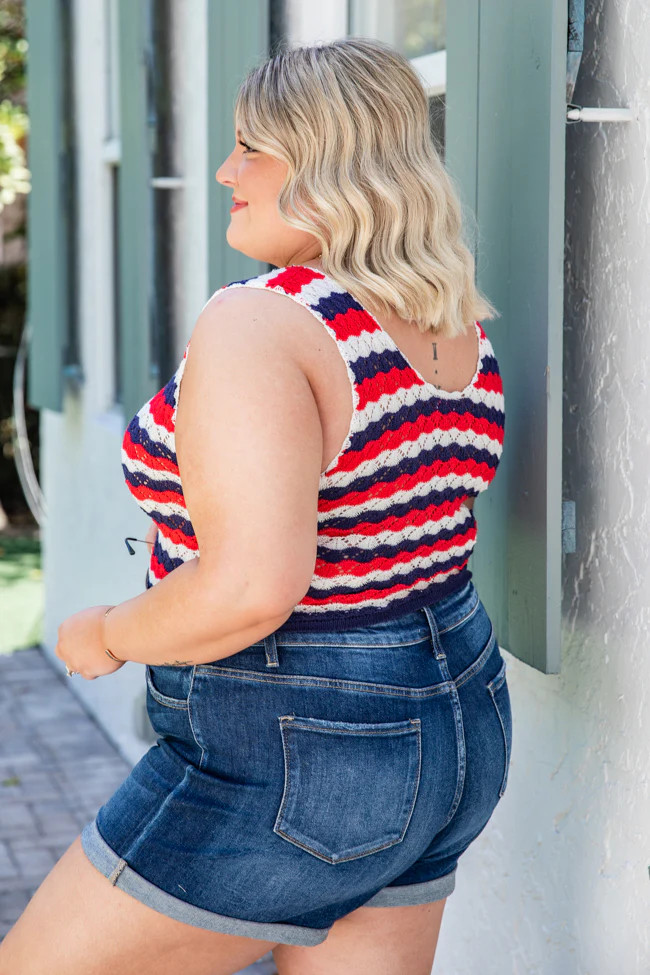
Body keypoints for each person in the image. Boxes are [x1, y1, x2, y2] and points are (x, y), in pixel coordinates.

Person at [1, 36, 511, 975]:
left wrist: (109, 632)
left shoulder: (265, 320)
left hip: (301, 743)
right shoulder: (450, 326)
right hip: (456, 725)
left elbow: (250, 585)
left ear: (328, 163)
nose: (228, 169)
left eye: (254, 148)